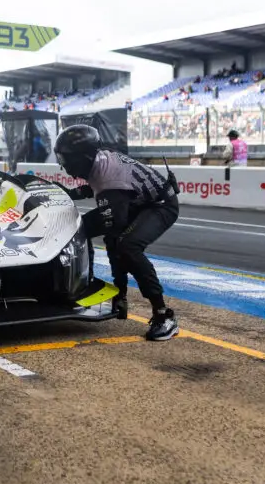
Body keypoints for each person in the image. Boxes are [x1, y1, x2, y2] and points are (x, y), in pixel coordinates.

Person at [54, 125, 180, 341]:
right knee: (80, 228)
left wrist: (119, 290)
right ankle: (81, 287)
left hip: (160, 206)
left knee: (126, 246)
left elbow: (114, 232)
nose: (65, 168)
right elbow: (92, 186)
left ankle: (163, 315)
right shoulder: (98, 160)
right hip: (135, 201)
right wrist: (68, 194)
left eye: (67, 161)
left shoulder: (108, 179)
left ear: (82, 158)